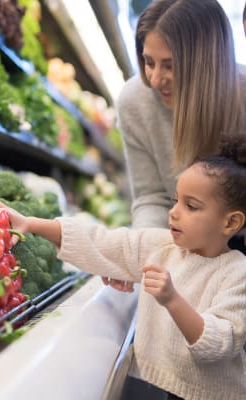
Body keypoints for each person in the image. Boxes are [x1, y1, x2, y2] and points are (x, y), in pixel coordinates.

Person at [0, 133, 246, 400]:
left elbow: (219, 344)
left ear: (230, 223)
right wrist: (31, 224)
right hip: (164, 388)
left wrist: (172, 300)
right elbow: (103, 243)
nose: (174, 212)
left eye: (191, 206)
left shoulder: (237, 273)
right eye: (175, 200)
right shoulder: (163, 245)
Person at [103, 0, 246, 293]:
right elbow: (152, 196)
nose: (155, 79)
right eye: (148, 61)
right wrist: (140, 255)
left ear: (207, 62)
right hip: (180, 255)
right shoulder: (134, 102)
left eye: (170, 65)